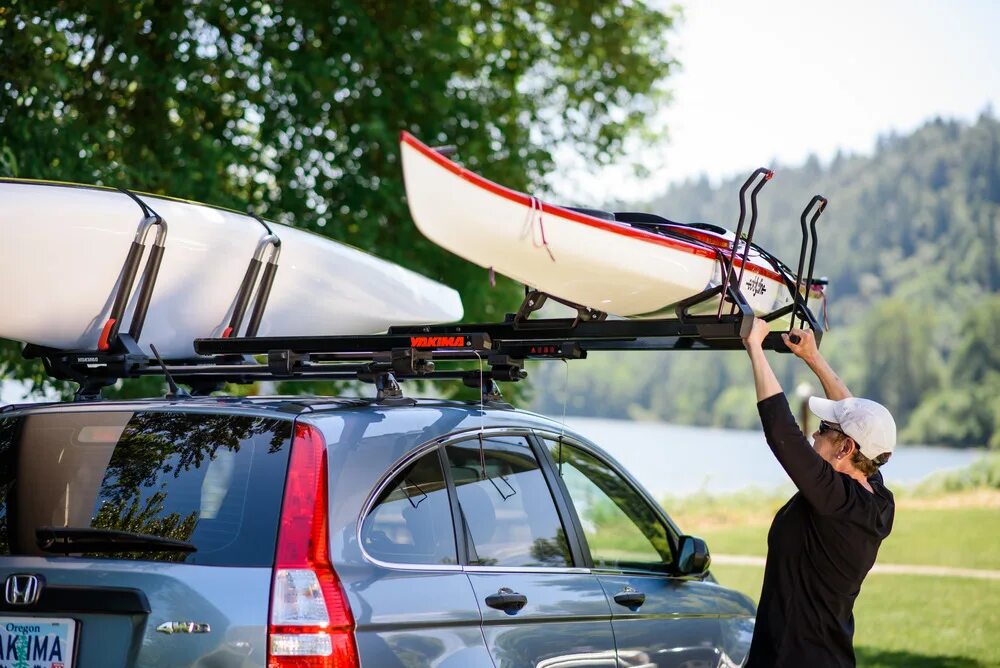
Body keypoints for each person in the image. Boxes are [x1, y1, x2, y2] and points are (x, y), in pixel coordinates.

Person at [742, 319, 896, 667]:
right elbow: (854, 416)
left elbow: (783, 434)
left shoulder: (835, 501)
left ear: (844, 449)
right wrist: (813, 358)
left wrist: (755, 347)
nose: (814, 436)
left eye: (824, 431)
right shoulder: (877, 499)